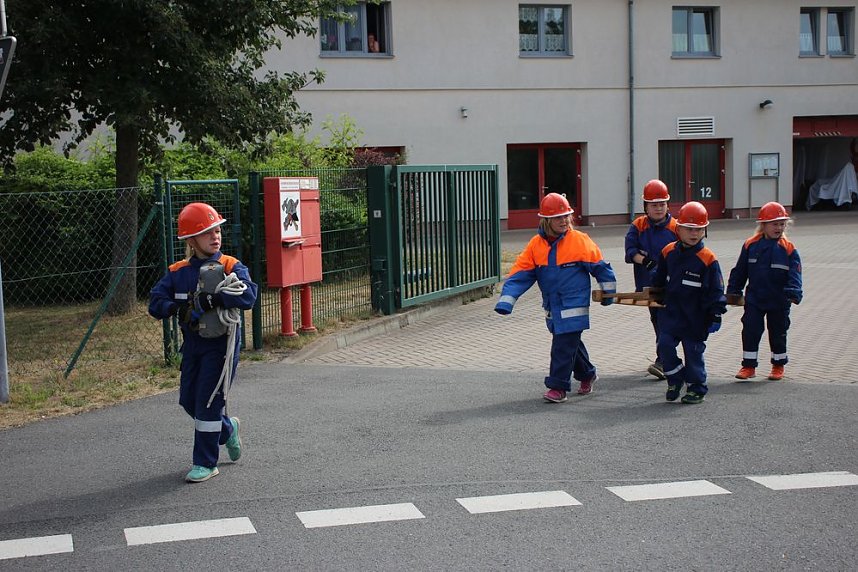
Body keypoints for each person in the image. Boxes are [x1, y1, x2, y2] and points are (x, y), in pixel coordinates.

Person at [149, 202, 258, 483]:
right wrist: (176, 308)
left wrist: (215, 298)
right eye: (207, 232)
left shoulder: (230, 265)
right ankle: (228, 430)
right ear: (191, 240)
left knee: (208, 402)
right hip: (193, 346)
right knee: (189, 401)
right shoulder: (178, 272)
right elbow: (155, 302)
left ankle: (206, 462)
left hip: (221, 346)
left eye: (217, 230)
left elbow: (248, 296)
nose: (215, 236)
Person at [494, 193, 617, 402]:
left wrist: (608, 293)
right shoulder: (536, 245)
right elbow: (520, 274)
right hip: (553, 305)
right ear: (546, 220)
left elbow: (601, 268)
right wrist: (506, 300)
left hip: (575, 304)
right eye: (558, 217)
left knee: (562, 346)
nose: (564, 221)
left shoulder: (579, 240)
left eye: (566, 216)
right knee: (570, 344)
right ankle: (587, 374)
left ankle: (558, 387)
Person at [651, 201, 727, 404]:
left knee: (693, 354)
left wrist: (716, 313)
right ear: (678, 229)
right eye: (689, 229)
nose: (694, 233)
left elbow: (716, 289)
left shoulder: (708, 258)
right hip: (671, 314)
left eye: (699, 229)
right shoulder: (668, 252)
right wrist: (654, 293)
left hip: (696, 318)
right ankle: (675, 379)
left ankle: (696, 388)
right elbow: (659, 278)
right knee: (665, 346)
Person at [727, 201, 802, 381]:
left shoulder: (789, 249)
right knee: (750, 330)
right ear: (763, 225)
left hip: (779, 300)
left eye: (782, 224)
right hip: (755, 299)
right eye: (774, 224)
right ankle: (748, 366)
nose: (779, 228)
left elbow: (795, 273)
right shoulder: (750, 245)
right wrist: (733, 291)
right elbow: (740, 270)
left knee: (778, 332)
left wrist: (794, 291)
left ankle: (778, 365)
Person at [624, 179, 678, 380]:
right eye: (654, 205)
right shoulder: (638, 226)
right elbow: (630, 251)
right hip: (648, 286)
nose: (658, 208)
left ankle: (665, 360)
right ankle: (666, 359)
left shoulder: (676, 227)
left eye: (662, 204)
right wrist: (645, 261)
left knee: (666, 321)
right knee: (657, 320)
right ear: (646, 206)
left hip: (671, 286)